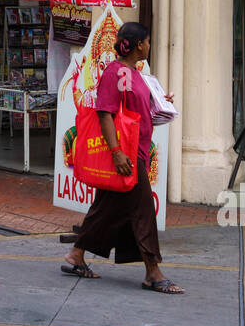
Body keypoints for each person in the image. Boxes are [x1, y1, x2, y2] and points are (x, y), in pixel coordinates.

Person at [61, 22, 184, 294]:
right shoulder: (115, 72)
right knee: (142, 211)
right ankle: (152, 271)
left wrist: (162, 102)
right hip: (126, 155)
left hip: (136, 150)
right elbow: (105, 113)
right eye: (148, 42)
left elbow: (141, 111)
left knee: (107, 208)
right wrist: (116, 153)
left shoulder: (136, 74)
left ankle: (75, 255)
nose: (149, 46)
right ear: (139, 44)